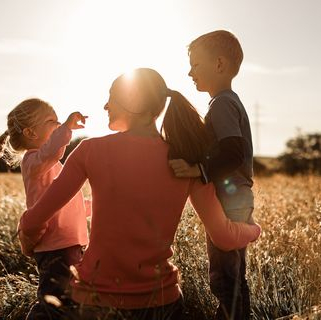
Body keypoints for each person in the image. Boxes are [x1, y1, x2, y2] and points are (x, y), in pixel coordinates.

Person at [19, 68, 261, 320]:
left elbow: (34, 219)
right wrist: (254, 230)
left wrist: (28, 242)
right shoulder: (185, 161)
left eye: (111, 97)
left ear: (132, 101)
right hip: (163, 306)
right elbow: (223, 237)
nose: (104, 106)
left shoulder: (89, 151)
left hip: (94, 304)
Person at [0, 98, 90, 319]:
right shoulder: (33, 162)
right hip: (55, 248)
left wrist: (98, 205)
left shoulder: (48, 164)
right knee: (54, 304)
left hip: (69, 244)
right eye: (52, 121)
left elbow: (68, 202)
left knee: (68, 301)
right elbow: (52, 152)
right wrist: (67, 128)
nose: (59, 123)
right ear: (31, 133)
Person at [168, 30, 255, 320]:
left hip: (230, 199)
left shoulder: (221, 105)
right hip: (238, 198)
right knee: (234, 276)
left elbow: (233, 153)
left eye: (195, 64)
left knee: (224, 277)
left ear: (219, 65)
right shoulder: (227, 101)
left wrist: (198, 169)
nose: (189, 72)